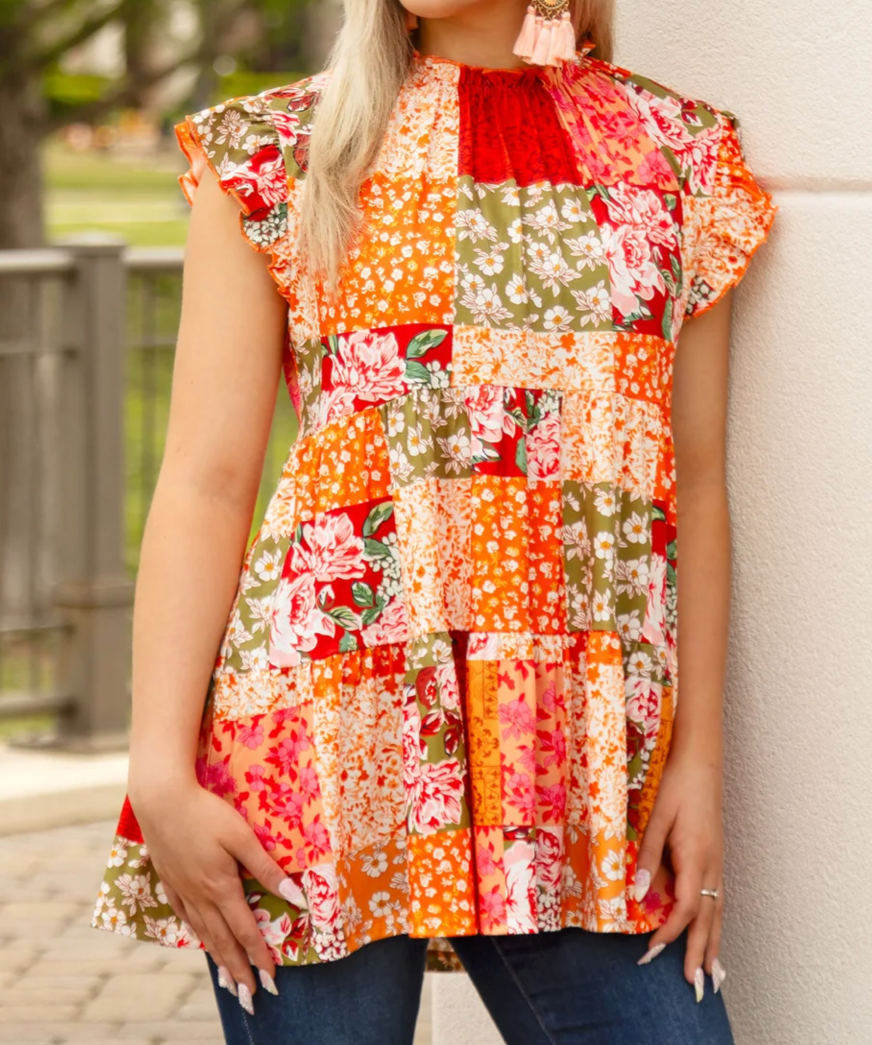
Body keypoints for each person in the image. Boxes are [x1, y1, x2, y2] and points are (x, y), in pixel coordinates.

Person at [90, 1, 777, 1042]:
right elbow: (205, 479)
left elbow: (693, 490)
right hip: (323, 739)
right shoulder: (278, 151)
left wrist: (695, 763)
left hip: (569, 762)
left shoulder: (674, 158)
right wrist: (156, 765)